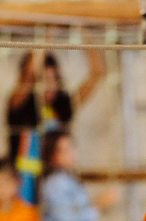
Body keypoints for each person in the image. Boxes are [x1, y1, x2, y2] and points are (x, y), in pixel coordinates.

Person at [7, 51, 105, 202]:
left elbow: (97, 74)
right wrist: (46, 38)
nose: (49, 85)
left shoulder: (63, 107)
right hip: (24, 186)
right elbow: (28, 74)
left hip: (54, 187)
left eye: (53, 79)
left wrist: (86, 37)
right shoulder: (20, 106)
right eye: (43, 79)